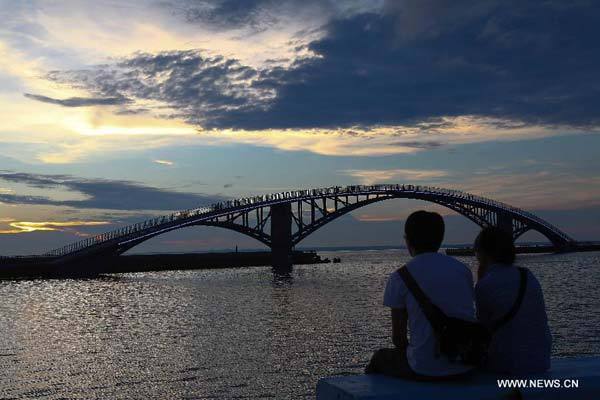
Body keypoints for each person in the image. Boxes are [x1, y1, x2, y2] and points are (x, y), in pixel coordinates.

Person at [365, 210, 475, 380]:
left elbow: (398, 339)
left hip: (424, 368)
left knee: (379, 358)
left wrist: (418, 353)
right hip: (465, 362)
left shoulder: (400, 277)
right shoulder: (463, 271)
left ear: (408, 240)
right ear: (440, 239)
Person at [474, 227, 551, 375]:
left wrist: (480, 280)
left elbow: (483, 328)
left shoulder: (485, 285)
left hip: (507, 365)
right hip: (541, 360)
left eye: (476, 252)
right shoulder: (527, 275)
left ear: (484, 253)